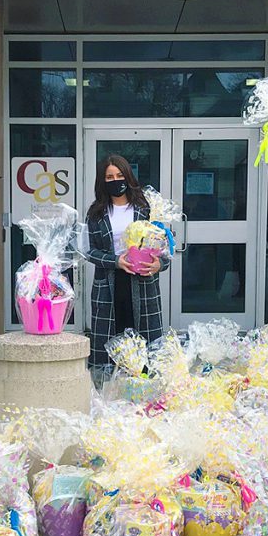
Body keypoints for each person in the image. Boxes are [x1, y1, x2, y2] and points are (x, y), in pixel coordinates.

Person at [84, 154, 169, 375]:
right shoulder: (96, 213)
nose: (115, 180)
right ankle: (108, 386)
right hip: (109, 284)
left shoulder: (146, 208)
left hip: (143, 283)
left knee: (145, 341)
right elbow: (89, 251)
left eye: (120, 175)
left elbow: (165, 246)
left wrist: (160, 264)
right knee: (110, 338)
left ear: (128, 176)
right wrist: (115, 261)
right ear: (102, 181)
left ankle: (145, 384)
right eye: (109, 177)